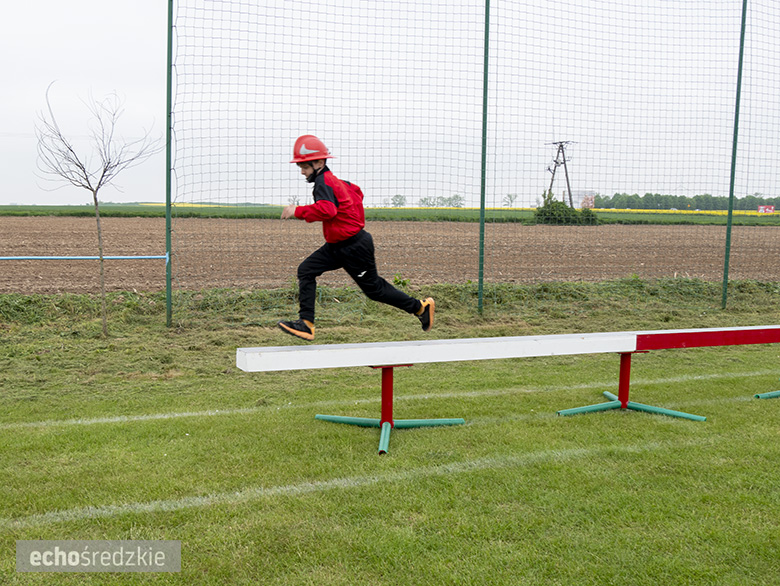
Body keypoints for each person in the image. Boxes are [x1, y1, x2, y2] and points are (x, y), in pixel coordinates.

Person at [278, 134, 434, 341]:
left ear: (319, 162)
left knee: (375, 290)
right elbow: (356, 192)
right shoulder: (335, 182)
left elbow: (328, 210)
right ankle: (306, 324)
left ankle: (421, 308)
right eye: (300, 166)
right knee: (306, 270)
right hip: (336, 246)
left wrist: (297, 211)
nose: (302, 171)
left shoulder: (324, 183)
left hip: (353, 247)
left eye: (304, 166)